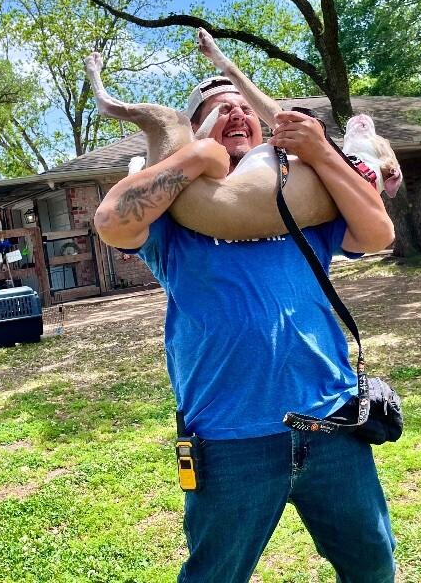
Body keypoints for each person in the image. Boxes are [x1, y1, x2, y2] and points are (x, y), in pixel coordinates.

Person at [93, 77, 397, 583]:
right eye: (219, 109)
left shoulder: (303, 200)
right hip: (229, 439)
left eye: (243, 107)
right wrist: (197, 155)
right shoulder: (174, 216)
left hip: (331, 423)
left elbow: (376, 232)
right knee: (215, 576)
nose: (236, 113)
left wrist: (322, 151)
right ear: (195, 129)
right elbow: (112, 221)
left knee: (372, 566)